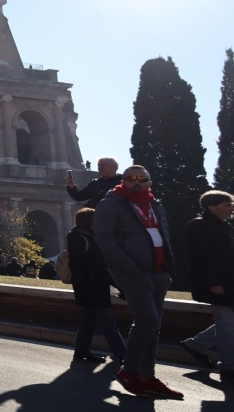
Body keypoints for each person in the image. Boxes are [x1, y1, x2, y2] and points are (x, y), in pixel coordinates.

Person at [95, 165, 183, 400]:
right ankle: (128, 371)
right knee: (148, 320)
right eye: (130, 178)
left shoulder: (156, 204)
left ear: (149, 182)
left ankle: (147, 376)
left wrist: (167, 269)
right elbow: (104, 239)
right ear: (123, 181)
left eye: (141, 178)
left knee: (153, 326)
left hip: (159, 272)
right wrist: (130, 268)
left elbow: (163, 236)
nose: (136, 182)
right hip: (132, 272)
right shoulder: (111, 203)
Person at [182, 190, 234, 383]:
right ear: (212, 207)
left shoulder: (222, 226)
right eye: (226, 204)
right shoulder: (199, 226)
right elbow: (200, 258)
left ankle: (196, 345)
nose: (230, 208)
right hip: (217, 283)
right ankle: (228, 365)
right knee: (227, 324)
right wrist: (213, 283)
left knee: (227, 322)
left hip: (226, 282)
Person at [67, 208, 125, 365]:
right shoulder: (81, 238)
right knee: (108, 322)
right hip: (92, 286)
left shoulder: (85, 237)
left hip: (92, 285)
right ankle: (123, 355)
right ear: (89, 221)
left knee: (89, 319)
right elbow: (93, 266)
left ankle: (81, 349)